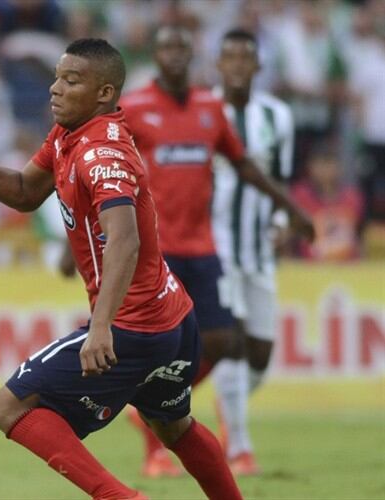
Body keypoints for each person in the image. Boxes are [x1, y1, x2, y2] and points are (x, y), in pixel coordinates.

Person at [0, 37, 242, 500]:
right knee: (174, 426)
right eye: (57, 77)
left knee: (10, 406)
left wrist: (101, 328)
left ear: (105, 93)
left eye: (71, 80)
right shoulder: (68, 136)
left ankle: (121, 497)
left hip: (132, 326)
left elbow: (125, 240)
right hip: (173, 317)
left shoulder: (103, 155)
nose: (55, 88)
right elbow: (23, 191)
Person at [118, 24, 314, 478]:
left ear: (193, 54)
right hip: (157, 248)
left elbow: (243, 163)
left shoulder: (209, 109)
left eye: (182, 46)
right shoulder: (135, 108)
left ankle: (150, 408)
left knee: (223, 342)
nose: (174, 53)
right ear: (155, 53)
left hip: (204, 247)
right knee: (160, 344)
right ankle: (160, 445)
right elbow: (112, 165)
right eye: (166, 45)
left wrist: (291, 209)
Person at [209, 28, 296, 476]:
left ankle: (227, 409)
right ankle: (239, 448)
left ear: (258, 66)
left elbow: (282, 179)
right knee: (234, 345)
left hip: (260, 251)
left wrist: (282, 223)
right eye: (230, 57)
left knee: (260, 356)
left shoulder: (277, 116)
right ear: (219, 64)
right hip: (216, 248)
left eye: (247, 57)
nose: (239, 65)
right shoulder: (204, 112)